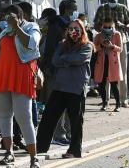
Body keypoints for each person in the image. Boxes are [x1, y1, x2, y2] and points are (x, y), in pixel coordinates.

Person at [0, 4, 42, 168]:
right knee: (4, 116)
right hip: (1, 76)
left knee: (23, 117)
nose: (7, 21)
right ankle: (8, 152)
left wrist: (17, 27)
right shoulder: (3, 33)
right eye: (5, 17)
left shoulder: (31, 27)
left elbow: (32, 44)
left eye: (10, 17)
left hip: (21, 76)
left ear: (20, 16)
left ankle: (34, 157)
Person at [36, 19, 92, 158]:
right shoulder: (62, 44)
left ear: (82, 31)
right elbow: (55, 60)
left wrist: (64, 60)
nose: (74, 31)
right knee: (48, 118)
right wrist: (68, 60)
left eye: (77, 28)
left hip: (76, 88)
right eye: (71, 28)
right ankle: (40, 147)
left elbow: (80, 58)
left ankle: (74, 150)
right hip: (60, 86)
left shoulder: (88, 45)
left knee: (75, 121)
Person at [93, 17, 124, 112]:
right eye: (105, 26)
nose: (107, 28)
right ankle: (104, 103)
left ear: (113, 25)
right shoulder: (98, 35)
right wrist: (101, 45)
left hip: (113, 62)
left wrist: (112, 46)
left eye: (109, 26)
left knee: (114, 84)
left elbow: (120, 49)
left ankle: (118, 104)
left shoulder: (117, 34)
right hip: (101, 61)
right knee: (101, 84)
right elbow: (94, 48)